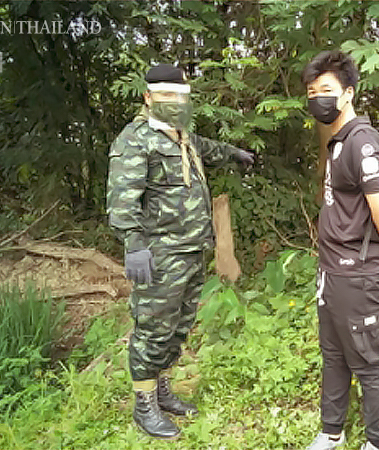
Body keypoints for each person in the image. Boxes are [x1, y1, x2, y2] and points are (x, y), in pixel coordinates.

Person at [106, 63, 254, 439]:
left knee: (179, 326)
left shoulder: (181, 135)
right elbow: (122, 201)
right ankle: (144, 405)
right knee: (153, 330)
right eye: (166, 95)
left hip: (191, 249)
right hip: (159, 255)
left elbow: (207, 148)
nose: (175, 102)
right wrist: (134, 245)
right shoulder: (136, 139)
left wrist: (234, 153)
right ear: (148, 97)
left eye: (180, 96)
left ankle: (162, 390)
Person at [302, 50, 379, 450]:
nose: (318, 98)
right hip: (333, 271)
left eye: (326, 89)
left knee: (368, 361)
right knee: (334, 355)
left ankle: (378, 442)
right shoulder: (338, 141)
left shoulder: (362, 142)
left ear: (348, 94)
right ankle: (332, 431)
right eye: (312, 92)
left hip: (357, 272)